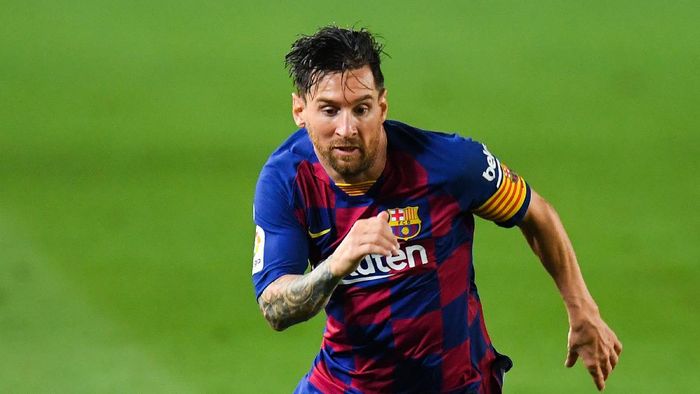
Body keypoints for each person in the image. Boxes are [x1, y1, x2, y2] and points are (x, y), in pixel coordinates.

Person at [252, 25, 622, 393]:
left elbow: (535, 212)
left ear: (382, 106)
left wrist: (582, 309)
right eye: (329, 110)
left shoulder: (448, 164)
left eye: (361, 109)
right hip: (346, 385)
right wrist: (338, 262)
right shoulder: (286, 181)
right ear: (300, 110)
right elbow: (274, 308)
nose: (346, 129)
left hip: (455, 384)